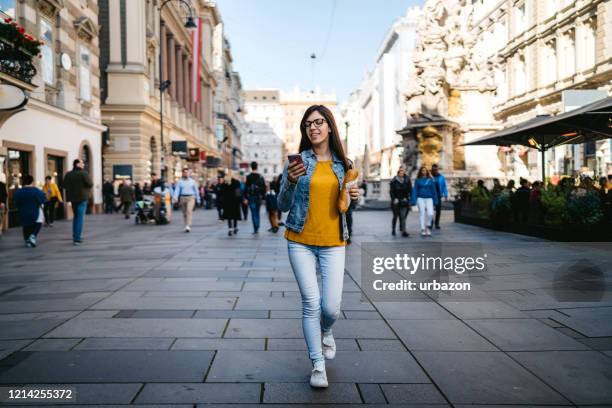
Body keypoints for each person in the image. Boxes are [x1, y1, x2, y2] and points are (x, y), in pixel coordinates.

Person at [278, 105, 360, 388]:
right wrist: (290, 182)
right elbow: (282, 205)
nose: (313, 128)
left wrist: (351, 194)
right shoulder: (297, 162)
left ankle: (327, 331)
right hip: (300, 240)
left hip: (334, 242)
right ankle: (317, 365)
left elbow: (344, 205)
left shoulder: (344, 164)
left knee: (331, 308)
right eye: (308, 124)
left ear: (329, 127)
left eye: (319, 122)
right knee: (310, 304)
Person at [64, 158, 93, 245]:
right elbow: (90, 183)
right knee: (79, 218)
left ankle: (75, 236)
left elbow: (64, 185)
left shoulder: (68, 174)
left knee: (76, 217)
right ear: (77, 164)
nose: (83, 164)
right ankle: (77, 238)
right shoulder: (83, 173)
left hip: (73, 199)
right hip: (82, 198)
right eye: (82, 163)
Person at [13, 175, 46, 247]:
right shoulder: (36, 191)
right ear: (32, 182)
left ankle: (27, 239)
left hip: (23, 213)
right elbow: (43, 199)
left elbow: (15, 202)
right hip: (34, 212)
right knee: (39, 222)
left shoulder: (18, 192)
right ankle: (33, 236)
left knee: (26, 225)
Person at [411, 166, 439, 236]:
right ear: (421, 171)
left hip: (429, 198)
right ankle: (423, 229)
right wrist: (414, 200)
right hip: (420, 198)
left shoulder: (430, 180)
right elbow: (415, 190)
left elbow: (434, 191)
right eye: (423, 170)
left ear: (427, 171)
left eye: (425, 170)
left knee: (430, 214)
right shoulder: (417, 180)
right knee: (422, 213)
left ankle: (428, 226)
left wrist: (435, 200)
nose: (424, 171)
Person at [172, 167, 200, 232]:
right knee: (184, 213)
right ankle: (186, 225)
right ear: (182, 173)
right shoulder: (180, 182)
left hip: (191, 197)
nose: (186, 174)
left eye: (187, 172)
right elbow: (177, 190)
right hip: (182, 198)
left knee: (189, 211)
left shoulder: (192, 181)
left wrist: (198, 199)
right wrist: (175, 198)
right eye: (184, 172)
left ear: (189, 173)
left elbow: (196, 191)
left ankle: (188, 225)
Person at [390, 164, 412, 237]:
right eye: (400, 171)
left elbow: (410, 190)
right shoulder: (394, 180)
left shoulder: (407, 180)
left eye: (403, 171)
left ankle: (403, 231)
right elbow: (391, 191)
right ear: (398, 172)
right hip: (396, 201)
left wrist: (408, 197)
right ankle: (393, 229)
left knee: (403, 216)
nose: (402, 173)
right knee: (395, 216)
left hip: (404, 201)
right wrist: (394, 199)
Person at [245, 161, 266, 234]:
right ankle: (257, 226)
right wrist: (263, 198)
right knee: (257, 212)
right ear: (257, 167)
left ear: (251, 167)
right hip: (259, 197)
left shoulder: (248, 177)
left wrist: (245, 198)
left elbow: (246, 188)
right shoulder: (261, 177)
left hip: (251, 197)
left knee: (253, 212)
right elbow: (264, 188)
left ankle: (255, 227)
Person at [430, 164, 448, 230]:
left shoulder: (441, 177)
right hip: (431, 196)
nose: (435, 171)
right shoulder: (429, 177)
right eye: (433, 169)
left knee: (438, 211)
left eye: (436, 169)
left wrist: (445, 195)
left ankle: (437, 223)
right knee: (430, 211)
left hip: (438, 196)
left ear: (437, 169)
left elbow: (444, 186)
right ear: (432, 169)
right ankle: (430, 223)